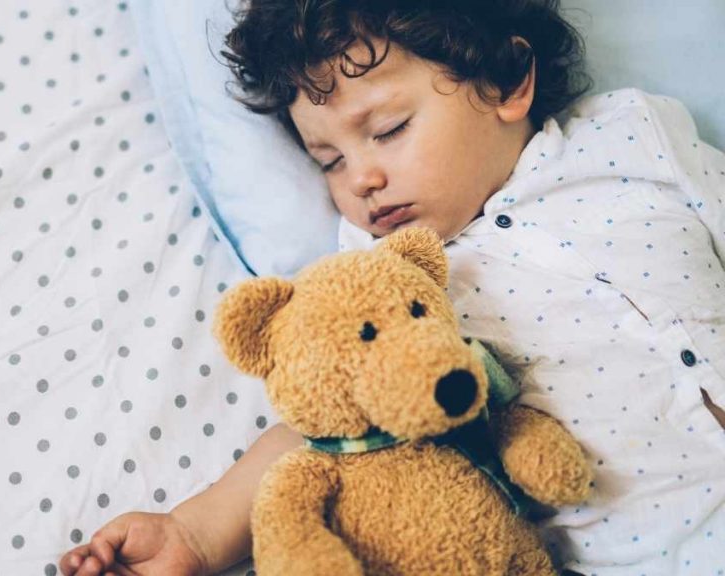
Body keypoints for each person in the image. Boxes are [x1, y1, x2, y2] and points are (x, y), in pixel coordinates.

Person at [61, 1, 725, 574]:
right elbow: (325, 427)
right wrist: (194, 535)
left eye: (388, 130)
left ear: (506, 80)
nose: (362, 179)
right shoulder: (387, 278)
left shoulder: (632, 134)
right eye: (330, 162)